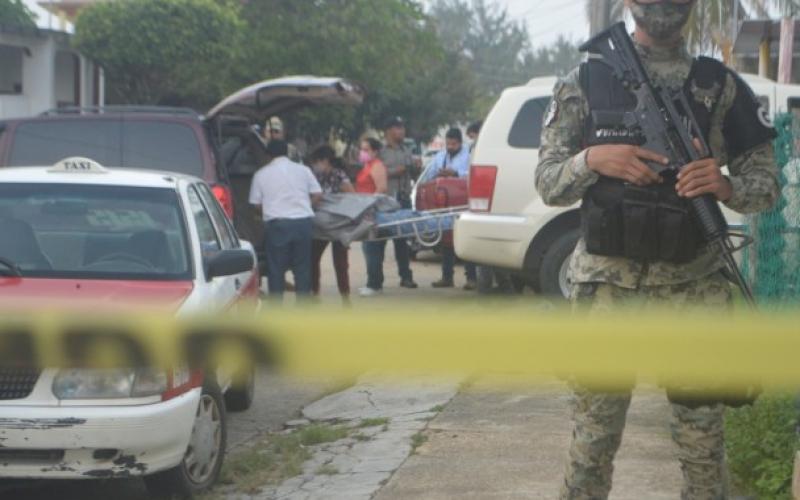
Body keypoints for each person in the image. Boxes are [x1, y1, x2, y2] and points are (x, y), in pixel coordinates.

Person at [536, 1, 779, 499]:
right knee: (592, 443)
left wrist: (726, 185)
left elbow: (767, 185)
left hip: (694, 289)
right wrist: (593, 158)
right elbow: (548, 182)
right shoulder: (585, 79)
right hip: (606, 291)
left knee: (703, 451)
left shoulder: (721, 85)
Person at [249, 139, 322, 299]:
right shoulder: (303, 170)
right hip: (303, 224)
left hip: (277, 225)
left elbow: (256, 204)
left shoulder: (261, 174)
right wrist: (304, 206)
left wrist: (269, 210)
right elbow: (317, 194)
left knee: (276, 268)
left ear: (268, 155)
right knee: (302, 267)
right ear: (287, 153)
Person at [429, 128, 477, 290]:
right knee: (447, 242)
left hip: (463, 201)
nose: (450, 146)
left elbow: (473, 174)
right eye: (448, 143)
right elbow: (430, 173)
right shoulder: (441, 156)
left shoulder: (469, 155)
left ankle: (471, 279)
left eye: (453, 144)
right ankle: (446, 277)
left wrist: (455, 173)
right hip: (445, 203)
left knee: (466, 241)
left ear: (460, 142)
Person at [308, 145, 354, 301]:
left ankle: (345, 297)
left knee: (340, 263)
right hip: (320, 225)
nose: (315, 166)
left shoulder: (339, 175)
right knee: (312, 259)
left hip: (337, 224)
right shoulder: (315, 176)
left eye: (316, 162)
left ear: (325, 161)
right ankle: (315, 293)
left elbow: (351, 196)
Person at [379, 116, 418, 289]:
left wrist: (417, 167)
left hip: (403, 199)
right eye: (397, 128)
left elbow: (414, 174)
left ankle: (406, 277)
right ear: (388, 131)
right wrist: (396, 171)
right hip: (385, 200)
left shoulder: (406, 150)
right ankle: (375, 279)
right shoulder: (380, 151)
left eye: (402, 128)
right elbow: (376, 174)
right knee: (379, 239)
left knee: (402, 240)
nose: (401, 131)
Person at [355, 138, 391, 297]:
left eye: (366, 150)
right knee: (369, 248)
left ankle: (374, 285)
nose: (363, 153)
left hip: (373, 212)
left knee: (372, 248)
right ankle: (374, 283)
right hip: (365, 211)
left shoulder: (377, 166)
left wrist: (369, 206)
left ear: (375, 151)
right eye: (362, 149)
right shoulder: (367, 165)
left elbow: (381, 189)